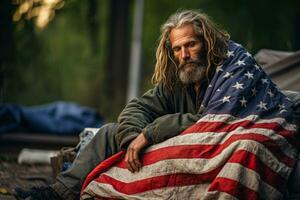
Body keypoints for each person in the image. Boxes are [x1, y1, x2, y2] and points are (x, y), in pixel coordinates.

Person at [15, 9, 299, 200]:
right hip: (187, 142)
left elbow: (214, 122)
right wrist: (131, 138)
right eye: (177, 49)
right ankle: (59, 192)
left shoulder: (232, 73)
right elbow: (135, 109)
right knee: (110, 131)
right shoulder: (178, 81)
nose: (185, 54)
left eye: (191, 45)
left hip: (228, 137)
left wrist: (152, 133)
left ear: (208, 42)